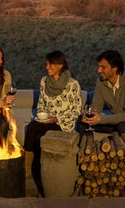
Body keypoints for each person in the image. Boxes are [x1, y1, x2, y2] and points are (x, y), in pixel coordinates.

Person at [23, 50, 81, 196]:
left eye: (50, 64)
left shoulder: (73, 85)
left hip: (63, 123)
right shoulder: (44, 81)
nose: (47, 67)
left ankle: (43, 179)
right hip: (46, 120)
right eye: (46, 64)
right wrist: (43, 115)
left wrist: (57, 118)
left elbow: (76, 111)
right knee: (32, 129)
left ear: (60, 65)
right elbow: (41, 104)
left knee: (42, 135)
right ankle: (27, 168)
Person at [77, 49, 125, 136]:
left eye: (103, 67)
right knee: (81, 122)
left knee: (122, 127)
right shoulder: (101, 82)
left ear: (115, 68)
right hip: (116, 122)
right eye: (99, 67)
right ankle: (89, 146)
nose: (99, 71)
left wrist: (101, 119)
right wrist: (89, 116)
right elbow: (96, 108)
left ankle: (118, 142)